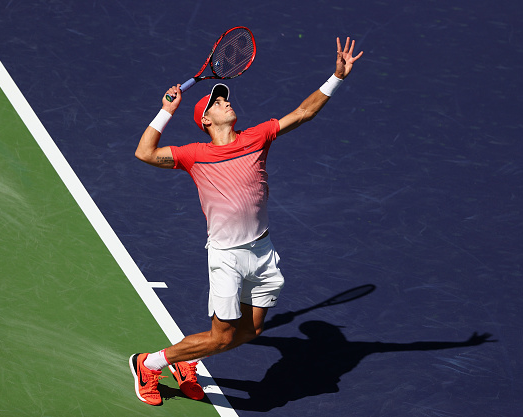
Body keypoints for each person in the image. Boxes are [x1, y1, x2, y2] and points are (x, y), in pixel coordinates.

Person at [129, 36, 363, 406]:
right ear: (206, 119)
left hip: (263, 249)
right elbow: (144, 152)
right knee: (222, 338)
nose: (225, 102)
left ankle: (187, 360)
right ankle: (149, 363)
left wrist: (336, 78)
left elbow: (303, 112)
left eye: (224, 98)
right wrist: (166, 111)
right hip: (226, 256)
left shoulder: (258, 136)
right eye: (216, 102)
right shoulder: (193, 154)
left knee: (252, 331)